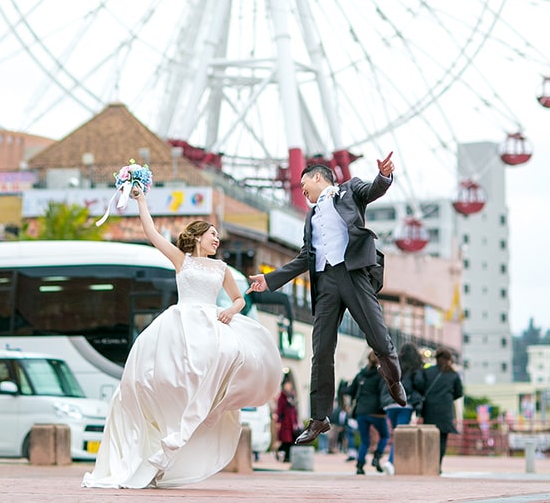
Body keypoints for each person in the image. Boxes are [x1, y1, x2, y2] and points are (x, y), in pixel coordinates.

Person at [83, 188, 282, 489]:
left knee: (230, 354)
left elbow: (239, 300)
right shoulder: (182, 260)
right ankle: (163, 433)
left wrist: (230, 311)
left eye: (218, 235)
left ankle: (196, 418)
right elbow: (151, 232)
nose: (217, 239)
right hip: (179, 324)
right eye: (212, 234)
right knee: (157, 378)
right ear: (199, 236)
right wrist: (141, 200)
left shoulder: (222, 268)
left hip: (211, 322)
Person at [248, 154, 407, 446]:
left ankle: (394, 379)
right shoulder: (310, 217)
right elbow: (303, 259)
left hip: (353, 273)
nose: (302, 188)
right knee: (320, 351)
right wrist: (269, 280)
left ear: (318, 177)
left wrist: (384, 177)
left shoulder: (350, 190)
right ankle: (320, 418)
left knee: (378, 336)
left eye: (303, 182)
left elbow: (373, 190)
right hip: (326, 283)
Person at [380, 342, 426, 473]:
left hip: (389, 404)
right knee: (399, 435)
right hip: (405, 404)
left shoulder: (394, 365)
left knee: (395, 433)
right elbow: (419, 384)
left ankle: (394, 462)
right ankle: (391, 462)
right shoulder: (415, 368)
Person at [421, 346, 464, 472]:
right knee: (442, 440)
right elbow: (459, 393)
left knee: (429, 439)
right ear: (449, 359)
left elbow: (422, 388)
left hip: (429, 409)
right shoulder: (453, 374)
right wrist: (448, 397)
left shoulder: (427, 372)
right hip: (445, 410)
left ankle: (429, 464)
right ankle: (438, 465)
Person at [348, 350, 389, 475]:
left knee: (365, 440)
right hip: (376, 412)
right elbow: (385, 391)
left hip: (361, 412)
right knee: (385, 435)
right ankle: (377, 457)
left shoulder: (361, 374)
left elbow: (350, 390)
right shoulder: (381, 375)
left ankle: (360, 465)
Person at [274, 377, 299, 462]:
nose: (288, 386)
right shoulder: (282, 397)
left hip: (291, 423)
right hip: (285, 422)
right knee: (286, 440)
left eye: (289, 385)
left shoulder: (292, 396)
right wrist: (278, 422)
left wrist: (296, 422)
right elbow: (279, 410)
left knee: (291, 441)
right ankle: (277, 451)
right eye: (287, 385)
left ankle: (287, 457)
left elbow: (295, 411)